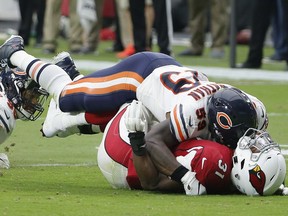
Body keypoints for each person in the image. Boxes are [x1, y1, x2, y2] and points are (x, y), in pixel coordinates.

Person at [0, 35, 266, 195]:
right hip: (139, 74)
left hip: (165, 82)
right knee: (67, 96)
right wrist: (184, 177)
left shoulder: (253, 108)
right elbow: (152, 140)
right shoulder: (192, 112)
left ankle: (73, 74)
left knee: (115, 113)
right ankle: (15, 53)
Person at [99, 101, 287, 195]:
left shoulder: (213, 163)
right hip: (151, 145)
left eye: (256, 153)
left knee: (127, 102)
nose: (255, 145)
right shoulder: (230, 171)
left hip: (123, 156)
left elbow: (151, 182)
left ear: (245, 171)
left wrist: (137, 139)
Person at [0, 66, 49, 168]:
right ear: (15, 87)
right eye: (32, 96)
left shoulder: (8, 109)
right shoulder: (4, 106)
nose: (35, 102)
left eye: (36, 98)